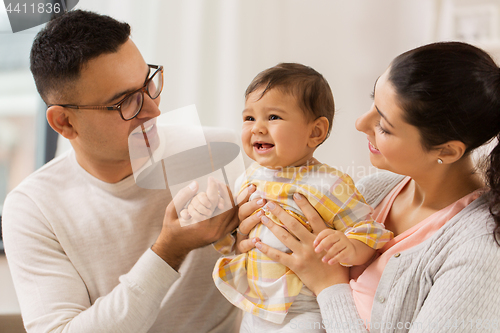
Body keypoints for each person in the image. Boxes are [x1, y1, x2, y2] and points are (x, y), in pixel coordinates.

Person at [2, 10, 247, 333]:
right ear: (65, 122)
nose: (154, 109)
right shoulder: (33, 207)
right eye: (125, 102)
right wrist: (168, 250)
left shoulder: (214, 151)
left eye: (148, 83)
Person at [243, 41, 500, 332]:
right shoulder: (373, 190)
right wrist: (254, 243)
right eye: (373, 102)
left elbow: (323, 278)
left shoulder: (480, 253)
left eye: (385, 126)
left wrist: (328, 285)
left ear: (447, 151)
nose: (360, 123)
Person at [185, 63, 392, 332]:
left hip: (305, 308)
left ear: (315, 132)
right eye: (249, 118)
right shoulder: (247, 179)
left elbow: (370, 233)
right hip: (256, 306)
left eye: (273, 117)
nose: (257, 128)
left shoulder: (329, 184)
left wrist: (349, 246)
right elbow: (234, 240)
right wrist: (212, 212)